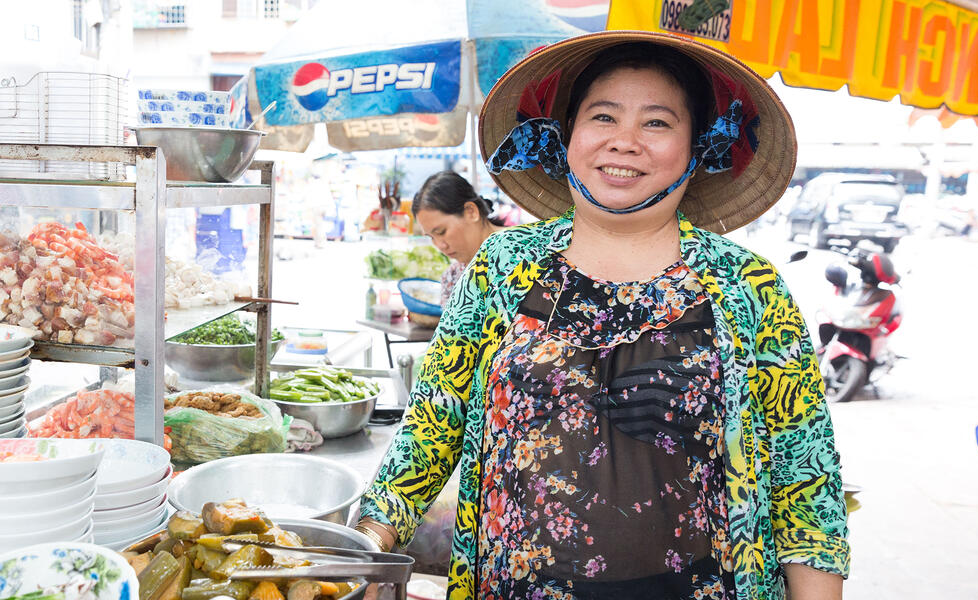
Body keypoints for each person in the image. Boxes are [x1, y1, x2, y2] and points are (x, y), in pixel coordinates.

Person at [354, 31, 848, 600]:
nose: (625, 142)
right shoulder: (502, 265)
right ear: (566, 137)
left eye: (657, 123)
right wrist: (372, 542)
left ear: (698, 146)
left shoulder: (748, 285)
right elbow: (432, 424)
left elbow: (804, 479)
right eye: (603, 117)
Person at [411, 171, 507, 303]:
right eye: (431, 237)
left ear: (471, 212)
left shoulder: (526, 252)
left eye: (441, 231)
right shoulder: (452, 277)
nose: (440, 246)